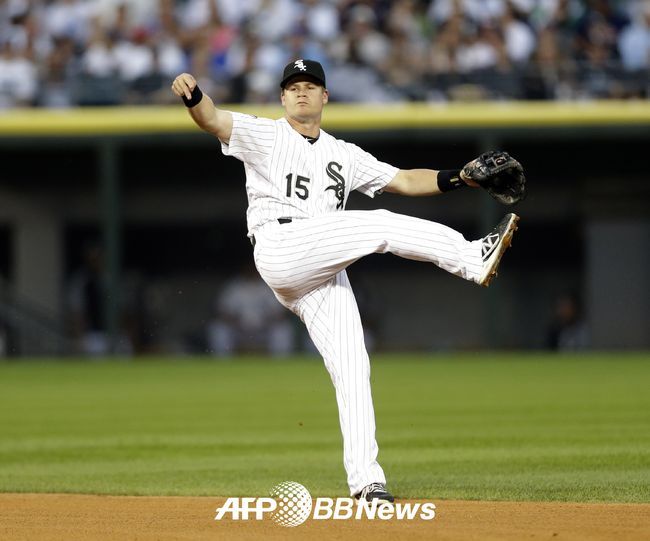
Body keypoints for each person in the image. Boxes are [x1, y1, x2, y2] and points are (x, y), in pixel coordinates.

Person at [171, 59, 520, 503]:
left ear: (325, 96)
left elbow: (403, 180)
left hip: (321, 266)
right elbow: (213, 120)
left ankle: (366, 482)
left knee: (353, 367)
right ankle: (471, 258)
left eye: (310, 85)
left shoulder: (344, 153)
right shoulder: (265, 134)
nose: (301, 92)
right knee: (379, 224)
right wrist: (194, 96)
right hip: (280, 244)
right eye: (293, 86)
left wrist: (461, 177)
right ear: (282, 97)